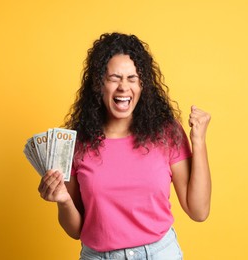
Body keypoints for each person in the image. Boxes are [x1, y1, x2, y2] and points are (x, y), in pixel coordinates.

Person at [38, 32, 211, 260]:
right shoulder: (76, 142)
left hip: (159, 254)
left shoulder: (166, 132)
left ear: (143, 84)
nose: (123, 87)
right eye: (114, 78)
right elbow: (76, 230)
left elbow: (198, 211)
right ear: (99, 84)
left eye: (132, 78)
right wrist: (63, 201)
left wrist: (198, 141)